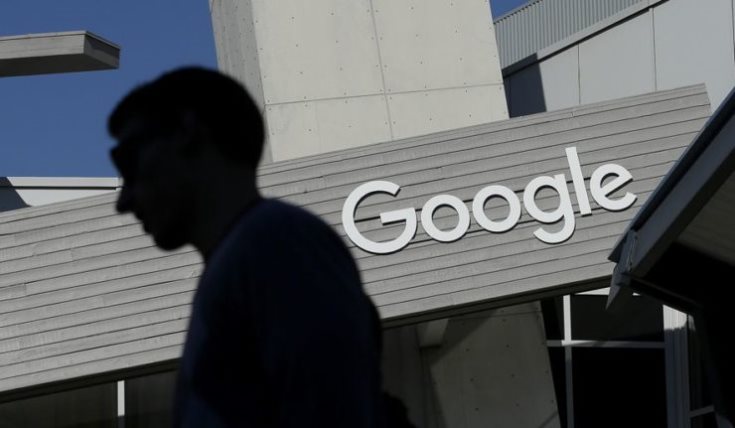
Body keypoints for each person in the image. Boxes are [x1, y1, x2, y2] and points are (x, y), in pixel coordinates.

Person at [108, 67, 398, 427]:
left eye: (128, 162)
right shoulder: (260, 252)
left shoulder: (278, 244)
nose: (123, 202)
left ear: (187, 131)